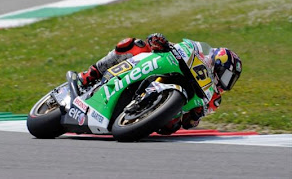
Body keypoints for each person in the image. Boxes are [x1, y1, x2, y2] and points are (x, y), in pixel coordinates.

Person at [78, 33, 242, 135]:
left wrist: (195, 116)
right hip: (164, 71)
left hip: (168, 116)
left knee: (171, 126)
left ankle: (138, 114)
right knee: (134, 45)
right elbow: (172, 46)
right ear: (218, 63)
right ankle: (89, 75)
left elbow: (190, 124)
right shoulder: (199, 56)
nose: (226, 82)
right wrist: (159, 42)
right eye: (226, 75)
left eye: (230, 80)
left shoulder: (214, 98)